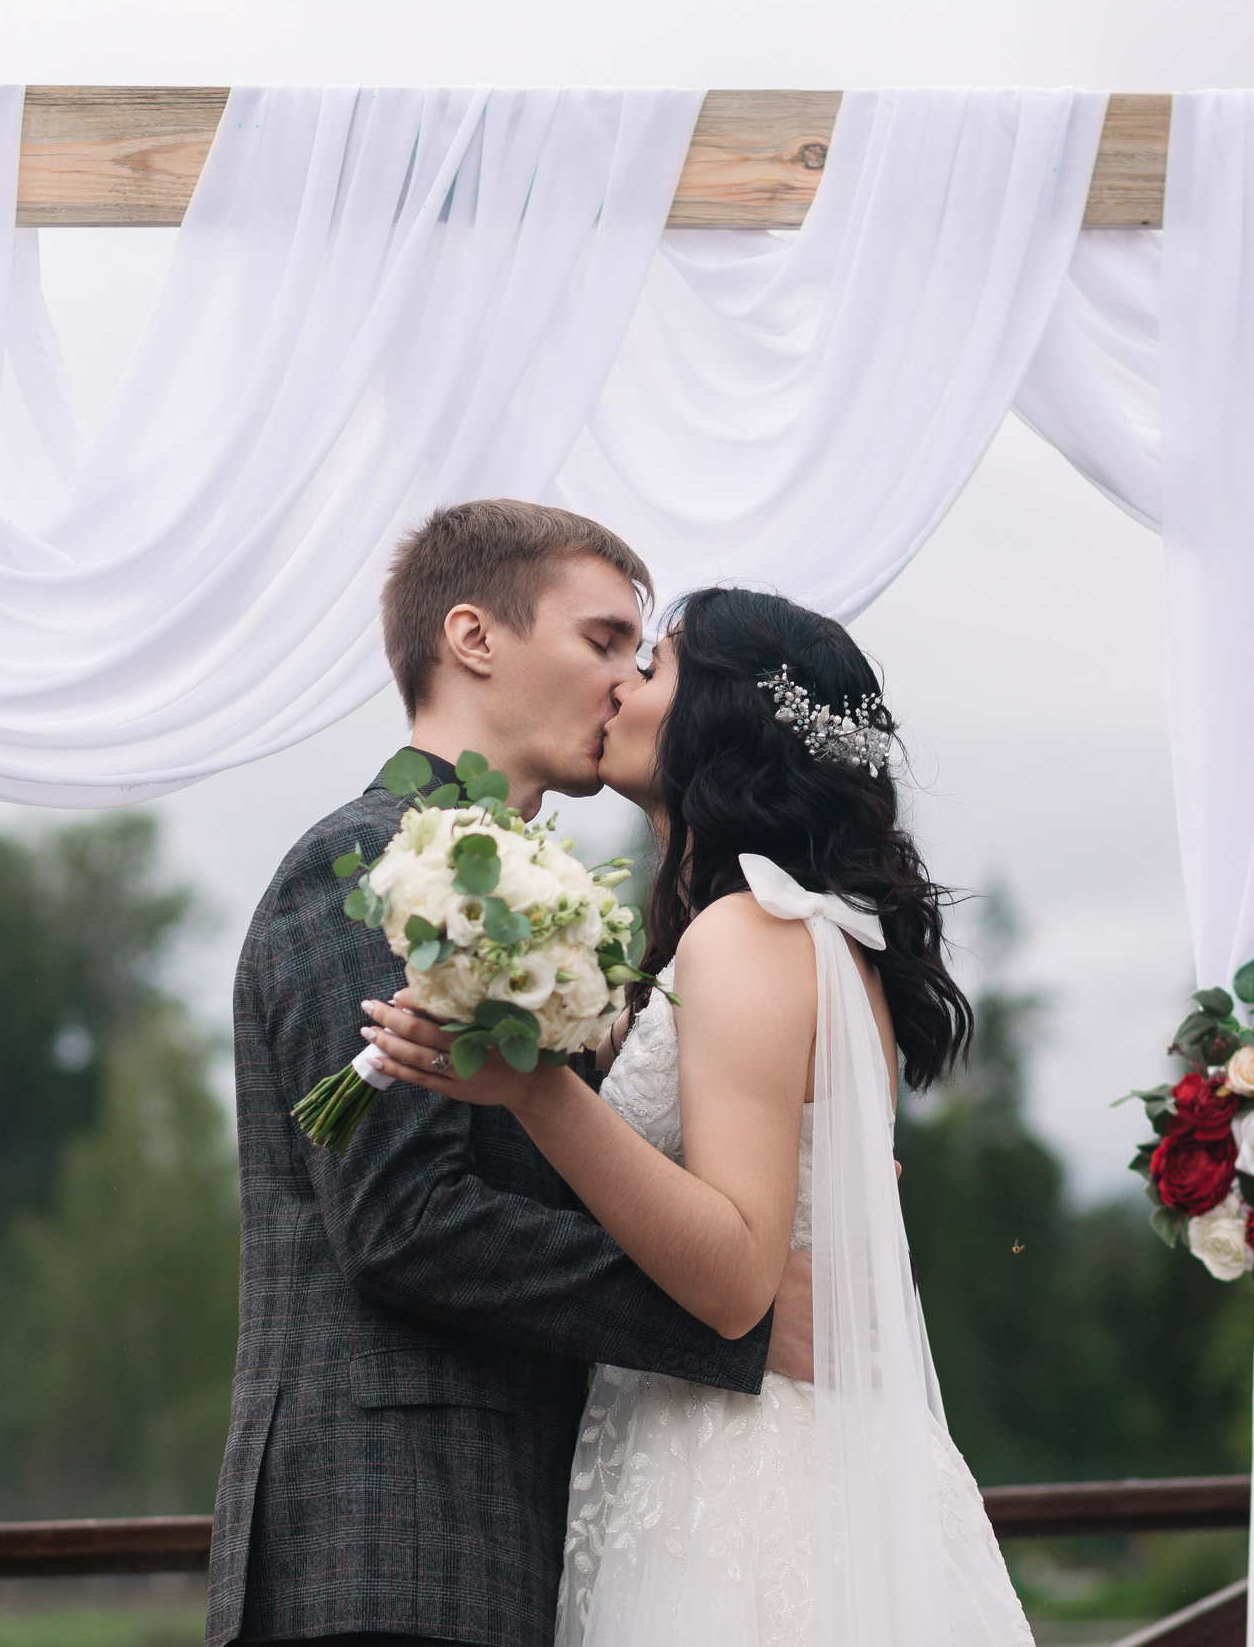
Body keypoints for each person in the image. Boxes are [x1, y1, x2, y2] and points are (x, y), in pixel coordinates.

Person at [365, 585, 1034, 1646]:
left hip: (746, 1479)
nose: (622, 684)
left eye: (656, 664)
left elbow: (732, 1279)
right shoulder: (764, 933)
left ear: (721, 719)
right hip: (747, 1449)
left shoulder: (748, 932)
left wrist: (532, 1089)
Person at [209, 501, 815, 1647]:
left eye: (641, 658)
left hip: (520, 1522)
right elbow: (403, 1220)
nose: (625, 687)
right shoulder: (366, 863)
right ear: (474, 638)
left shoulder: (554, 899)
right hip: (386, 1537)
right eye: (601, 643)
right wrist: (738, 1316)